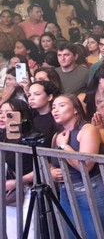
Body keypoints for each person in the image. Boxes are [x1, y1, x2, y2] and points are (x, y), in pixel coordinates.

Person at [50, 95, 104, 239]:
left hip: (89, 190)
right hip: (65, 191)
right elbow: (51, 164)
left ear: (76, 109)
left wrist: (64, 146)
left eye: (61, 105)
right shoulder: (57, 136)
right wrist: (52, 172)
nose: (55, 110)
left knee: (95, 234)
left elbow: (86, 166)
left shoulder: (88, 129)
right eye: (53, 107)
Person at [1, 99, 38, 239]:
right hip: (8, 194)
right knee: (10, 233)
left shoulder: (31, 138)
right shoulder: (3, 137)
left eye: (9, 113)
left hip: (28, 191)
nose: (3, 116)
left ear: (21, 117)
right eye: (1, 112)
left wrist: (18, 181)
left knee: (30, 233)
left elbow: (43, 168)